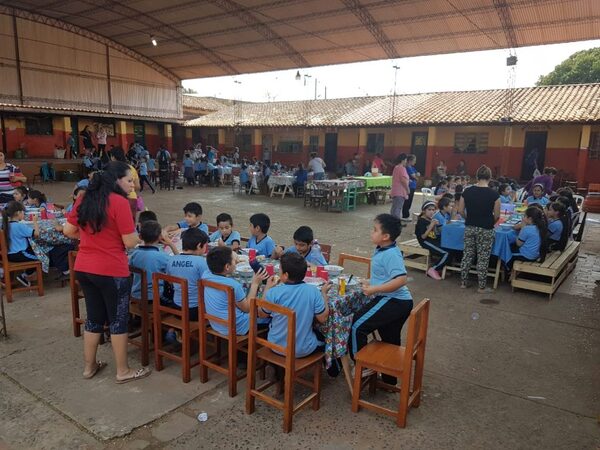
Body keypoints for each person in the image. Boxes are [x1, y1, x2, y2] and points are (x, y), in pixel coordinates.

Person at [62, 161, 150, 383]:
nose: (133, 185)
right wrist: (142, 236)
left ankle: (89, 367)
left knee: (94, 318)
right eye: (129, 180)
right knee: (118, 320)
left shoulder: (84, 198)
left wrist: (91, 240)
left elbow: (68, 230)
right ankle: (123, 371)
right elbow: (129, 242)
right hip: (112, 270)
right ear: (116, 180)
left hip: (84, 267)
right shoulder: (118, 202)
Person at [350, 214, 413, 382]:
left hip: (394, 300)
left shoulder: (390, 254)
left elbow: (401, 279)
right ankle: (389, 378)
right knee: (389, 337)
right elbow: (386, 276)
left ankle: (362, 366)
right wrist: (370, 281)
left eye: (374, 230)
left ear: (385, 237)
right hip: (399, 301)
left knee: (357, 325)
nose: (371, 232)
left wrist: (374, 289)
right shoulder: (383, 248)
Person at [259, 252, 330, 357]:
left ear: (286, 275)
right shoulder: (313, 291)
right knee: (323, 338)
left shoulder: (273, 292)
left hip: (275, 346)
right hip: (302, 349)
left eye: (280, 270)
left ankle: (276, 368)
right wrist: (323, 294)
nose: (279, 272)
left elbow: (262, 314)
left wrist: (267, 289)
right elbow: (323, 318)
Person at [201, 246, 267, 335]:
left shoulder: (205, 275)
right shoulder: (233, 285)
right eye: (234, 261)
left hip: (216, 324)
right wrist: (255, 283)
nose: (236, 262)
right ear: (227, 266)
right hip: (237, 326)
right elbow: (247, 308)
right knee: (269, 315)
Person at [457, 165, 500, 293]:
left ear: (476, 176)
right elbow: (497, 215)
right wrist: (489, 222)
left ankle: (463, 282)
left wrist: (468, 219)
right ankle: (481, 287)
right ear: (490, 177)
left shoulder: (467, 191)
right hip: (486, 228)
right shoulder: (494, 194)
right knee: (483, 257)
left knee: (467, 254)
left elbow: (460, 210)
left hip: (470, 226)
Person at [165, 228, 209, 321]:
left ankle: (174, 331)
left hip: (176, 307)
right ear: (199, 246)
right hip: (195, 311)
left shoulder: (172, 260)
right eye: (205, 245)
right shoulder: (200, 262)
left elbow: (169, 282)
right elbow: (208, 285)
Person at [129, 220, 177, 302]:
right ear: (159, 237)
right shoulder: (162, 256)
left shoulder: (135, 254)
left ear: (140, 237)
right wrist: (171, 244)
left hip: (135, 295)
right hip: (154, 298)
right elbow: (178, 266)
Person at [415, 201, 449, 280]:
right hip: (426, 242)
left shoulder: (430, 219)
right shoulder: (421, 221)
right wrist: (431, 226)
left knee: (451, 249)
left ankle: (440, 267)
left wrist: (437, 225)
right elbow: (423, 237)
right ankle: (433, 269)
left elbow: (436, 233)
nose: (432, 212)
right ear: (424, 211)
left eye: (433, 210)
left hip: (434, 240)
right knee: (446, 253)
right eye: (429, 210)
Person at [508, 206, 546, 270]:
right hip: (536, 254)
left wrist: (522, 228)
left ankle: (507, 271)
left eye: (524, 216)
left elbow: (518, 244)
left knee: (507, 252)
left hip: (526, 255)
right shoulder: (539, 226)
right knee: (511, 246)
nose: (523, 218)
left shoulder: (527, 229)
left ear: (530, 218)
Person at [110, 147, 141, 221]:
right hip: (132, 198)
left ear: (113, 157)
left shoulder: (112, 169)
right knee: (131, 223)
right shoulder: (131, 168)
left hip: (116, 200)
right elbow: (137, 186)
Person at [390, 153, 409, 220]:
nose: (406, 162)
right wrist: (407, 189)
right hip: (400, 191)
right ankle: (396, 223)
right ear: (403, 160)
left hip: (396, 190)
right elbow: (403, 181)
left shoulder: (396, 167)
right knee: (397, 208)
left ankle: (392, 222)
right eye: (406, 160)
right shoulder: (402, 168)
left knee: (394, 208)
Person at [402, 155, 419, 222]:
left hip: (413, 186)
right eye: (414, 161)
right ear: (410, 161)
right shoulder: (408, 167)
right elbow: (414, 176)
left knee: (409, 201)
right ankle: (405, 215)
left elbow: (418, 174)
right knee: (407, 201)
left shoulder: (412, 167)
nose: (415, 162)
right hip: (409, 186)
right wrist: (415, 176)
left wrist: (415, 175)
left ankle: (406, 215)